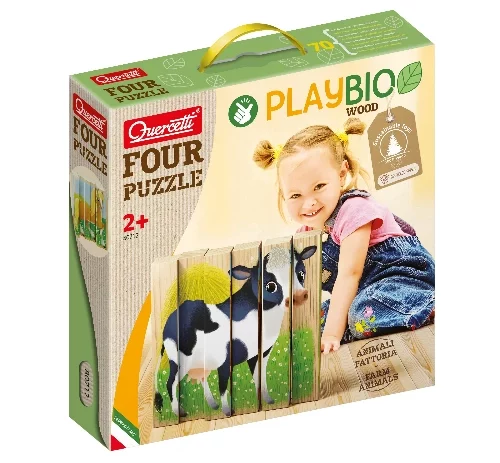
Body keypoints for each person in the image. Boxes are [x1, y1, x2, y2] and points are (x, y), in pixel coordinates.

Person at [253, 117, 435, 354]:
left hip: (401, 280)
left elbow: (350, 274)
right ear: (284, 195)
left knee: (362, 314)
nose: (309, 203)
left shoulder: (354, 210)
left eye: (319, 187)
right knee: (311, 323)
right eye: (296, 195)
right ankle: (358, 326)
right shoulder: (306, 236)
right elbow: (303, 288)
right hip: (362, 292)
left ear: (341, 174)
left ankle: (428, 303)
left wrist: (331, 334)